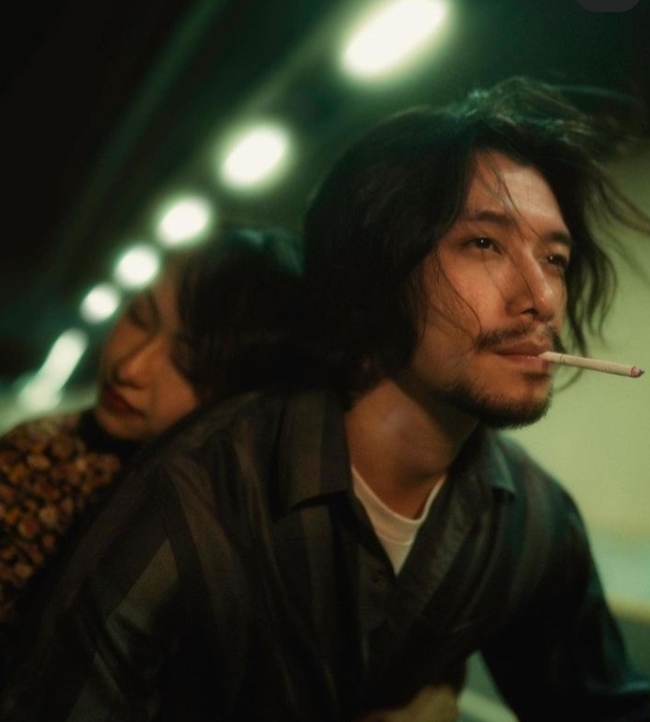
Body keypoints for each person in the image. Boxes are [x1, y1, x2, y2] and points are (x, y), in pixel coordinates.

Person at [1, 77, 650, 722]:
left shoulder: (534, 522)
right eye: (485, 243)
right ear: (377, 272)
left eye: (555, 258)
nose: (541, 297)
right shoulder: (199, 499)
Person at [0, 223, 303, 671]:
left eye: (186, 362)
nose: (130, 367)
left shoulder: (248, 539)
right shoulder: (36, 462)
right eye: (139, 316)